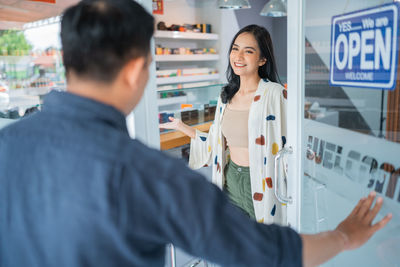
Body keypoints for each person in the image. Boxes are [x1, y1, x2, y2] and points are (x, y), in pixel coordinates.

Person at [0, 0, 392, 266]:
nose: (238, 56)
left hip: (266, 187)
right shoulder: (149, 175)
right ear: (138, 70)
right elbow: (264, 251)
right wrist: (344, 237)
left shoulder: (8, 144)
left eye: (247, 50)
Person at [160, 25, 287, 224]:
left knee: (263, 245)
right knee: (235, 243)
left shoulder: (274, 94)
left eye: (248, 51)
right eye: (235, 49)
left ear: (262, 60)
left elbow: (288, 144)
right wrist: (181, 126)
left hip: (262, 182)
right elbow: (215, 142)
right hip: (230, 180)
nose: (238, 56)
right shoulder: (226, 96)